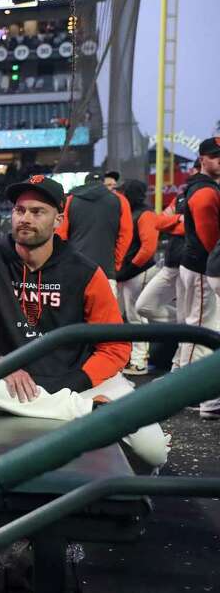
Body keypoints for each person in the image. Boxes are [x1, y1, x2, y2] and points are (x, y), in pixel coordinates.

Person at [0, 175, 169, 468]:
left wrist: (75, 383)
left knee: (154, 450)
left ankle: (123, 489)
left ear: (58, 219)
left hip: (81, 379)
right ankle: (87, 412)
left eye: (37, 211)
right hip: (16, 380)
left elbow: (115, 347)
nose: (25, 219)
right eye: (20, 210)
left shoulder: (84, 270)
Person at [135, 160, 197, 368]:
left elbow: (195, 227)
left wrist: (177, 223)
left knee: (189, 319)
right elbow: (159, 222)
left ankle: (178, 369)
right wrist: (181, 221)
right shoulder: (182, 196)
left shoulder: (210, 194)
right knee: (144, 306)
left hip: (194, 265)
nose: (194, 173)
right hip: (172, 264)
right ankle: (188, 328)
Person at [115, 180, 176, 375]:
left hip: (137, 271)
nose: (121, 195)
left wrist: (129, 269)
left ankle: (139, 361)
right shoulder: (129, 213)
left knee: (136, 316)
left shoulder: (144, 213)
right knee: (125, 316)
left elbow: (148, 249)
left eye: (124, 191)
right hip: (127, 272)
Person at [183, 137, 220, 417]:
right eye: (214, 155)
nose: (219, 160)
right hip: (201, 265)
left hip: (195, 264)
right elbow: (210, 238)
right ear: (202, 158)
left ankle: (184, 390)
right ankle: (200, 397)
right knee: (202, 330)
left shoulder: (201, 187)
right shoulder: (205, 191)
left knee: (194, 328)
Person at [55, 171, 133, 289]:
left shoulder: (71, 200)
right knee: (106, 307)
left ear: (85, 183)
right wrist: (115, 263)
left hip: (75, 268)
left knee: (73, 307)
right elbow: (125, 235)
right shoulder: (120, 200)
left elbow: (60, 235)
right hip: (105, 270)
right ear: (103, 183)